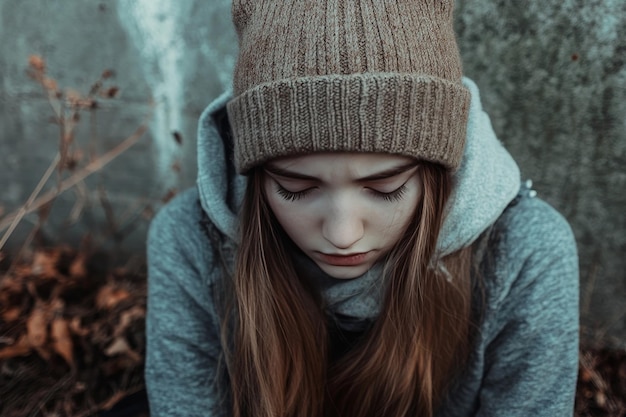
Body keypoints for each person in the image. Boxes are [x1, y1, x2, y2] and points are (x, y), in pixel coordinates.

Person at [145, 1, 579, 416]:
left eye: (385, 187)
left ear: (436, 172)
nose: (342, 233)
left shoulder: (523, 253)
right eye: (295, 188)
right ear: (257, 177)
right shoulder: (192, 241)